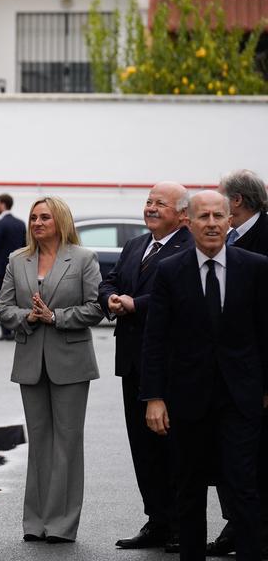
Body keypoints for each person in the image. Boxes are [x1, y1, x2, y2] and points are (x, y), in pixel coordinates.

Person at [141, 190, 268, 561]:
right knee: (190, 489)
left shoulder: (257, 267)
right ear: (189, 222)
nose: (211, 224)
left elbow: (265, 331)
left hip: (241, 398)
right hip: (187, 399)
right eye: (203, 217)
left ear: (230, 221)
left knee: (243, 487)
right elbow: (156, 340)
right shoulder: (169, 271)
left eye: (218, 216)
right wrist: (154, 397)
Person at [0, 196, 104, 544]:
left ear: (60, 221)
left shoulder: (83, 259)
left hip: (71, 362)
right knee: (39, 443)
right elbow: (2, 306)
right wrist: (26, 317)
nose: (37, 223)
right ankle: (35, 521)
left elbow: (95, 308)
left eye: (44, 217)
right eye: (33, 217)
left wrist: (55, 317)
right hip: (30, 362)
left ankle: (61, 524)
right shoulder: (17, 259)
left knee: (67, 444)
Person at [96, 182, 191, 551]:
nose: (150, 208)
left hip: (171, 362)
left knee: (174, 446)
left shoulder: (190, 246)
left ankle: (184, 524)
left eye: (160, 203)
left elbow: (180, 295)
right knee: (142, 447)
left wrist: (136, 304)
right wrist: (112, 299)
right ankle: (158, 520)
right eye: (148, 201)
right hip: (133, 360)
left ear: (182, 214)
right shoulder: (136, 244)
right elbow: (110, 281)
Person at [207, 170, 268, 556]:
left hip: (254, 372)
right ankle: (237, 528)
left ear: (236, 203)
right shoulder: (227, 240)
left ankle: (254, 536)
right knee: (228, 459)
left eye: (219, 201)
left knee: (255, 462)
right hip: (219, 374)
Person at [0, 193, 26, 341]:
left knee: (2, 300)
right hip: (18, 268)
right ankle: (16, 330)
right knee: (17, 299)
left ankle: (5, 332)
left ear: (3, 204)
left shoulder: (0, 224)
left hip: (1, 269)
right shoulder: (20, 223)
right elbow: (25, 246)